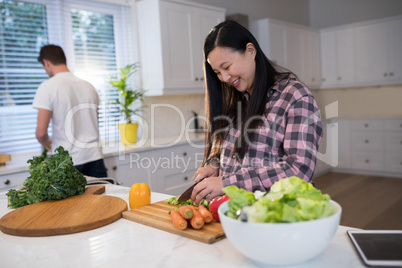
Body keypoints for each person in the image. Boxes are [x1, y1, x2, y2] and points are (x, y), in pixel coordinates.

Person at [191, 21, 323, 205]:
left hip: (278, 216)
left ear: (251, 51)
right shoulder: (235, 101)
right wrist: (214, 164)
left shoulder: (294, 96)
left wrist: (228, 183)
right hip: (235, 214)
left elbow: (298, 170)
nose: (225, 78)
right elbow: (226, 151)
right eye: (217, 72)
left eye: (227, 67)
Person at [33, 44, 107, 178]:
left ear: (46, 62)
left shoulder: (48, 87)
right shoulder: (88, 86)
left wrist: (46, 144)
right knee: (99, 198)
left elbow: (41, 133)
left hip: (67, 161)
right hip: (95, 157)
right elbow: (94, 122)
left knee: (72, 200)